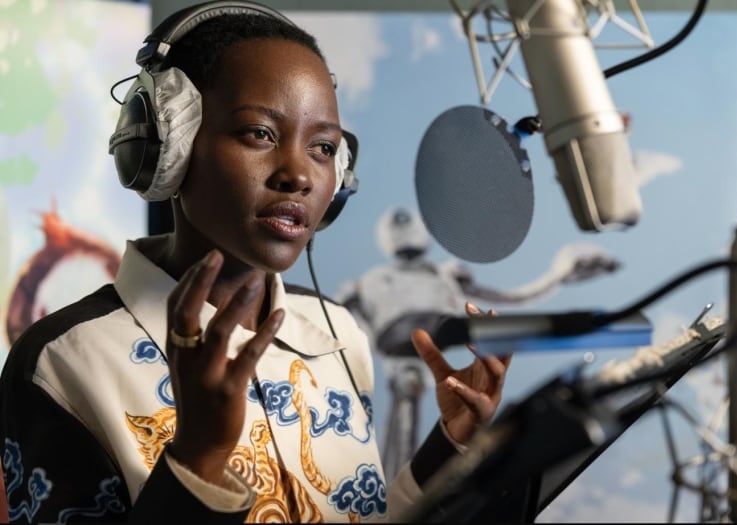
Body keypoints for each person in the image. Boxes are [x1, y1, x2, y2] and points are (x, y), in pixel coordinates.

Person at [0, 2, 511, 523]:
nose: (300, 175)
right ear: (169, 145)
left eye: (323, 147)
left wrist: (449, 447)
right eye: (259, 134)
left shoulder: (338, 334)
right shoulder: (61, 362)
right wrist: (196, 459)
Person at [335, 205, 621, 480]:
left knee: (487, 332)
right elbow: (340, 325)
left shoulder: (443, 276)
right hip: (416, 337)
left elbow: (512, 298)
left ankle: (579, 325)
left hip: (441, 332)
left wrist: (558, 276)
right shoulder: (371, 282)